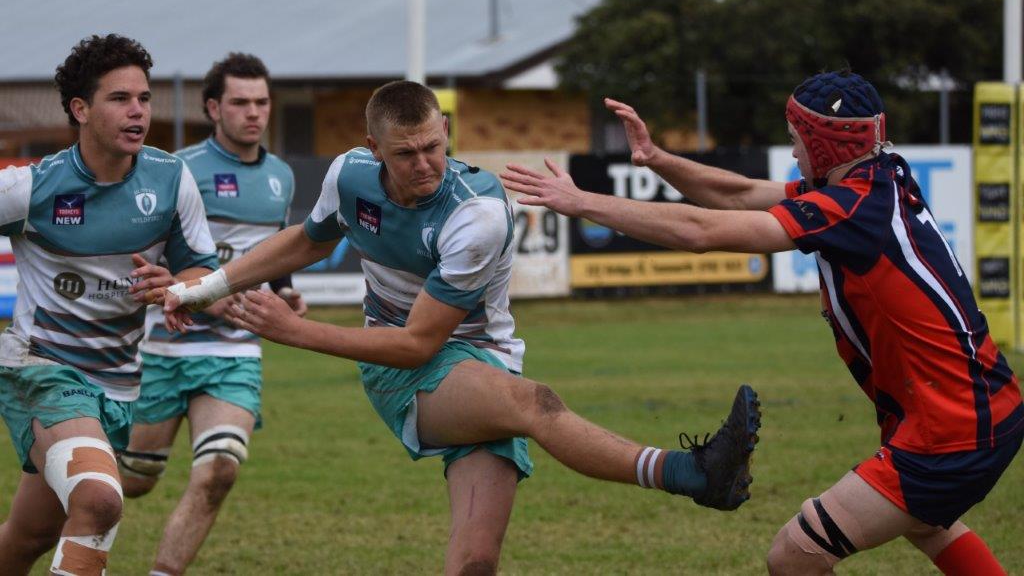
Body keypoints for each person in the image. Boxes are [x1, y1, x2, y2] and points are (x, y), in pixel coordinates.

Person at [161, 80, 761, 575]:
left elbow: (422, 337)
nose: (423, 164)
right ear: (374, 148)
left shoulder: (476, 212)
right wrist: (207, 288)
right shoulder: (348, 176)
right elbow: (310, 242)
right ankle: (691, 473)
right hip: (402, 371)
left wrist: (296, 333)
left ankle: (696, 475)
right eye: (404, 153)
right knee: (535, 403)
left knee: (475, 563)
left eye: (432, 146)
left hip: (471, 357)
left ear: (445, 132)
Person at [500, 70, 1024, 576]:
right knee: (928, 526)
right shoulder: (878, 180)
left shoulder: (851, 207)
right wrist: (657, 159)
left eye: (797, 139)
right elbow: (739, 195)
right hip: (981, 407)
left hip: (952, 427)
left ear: (824, 146)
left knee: (795, 556)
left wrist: (581, 202)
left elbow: (701, 231)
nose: (793, 151)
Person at [0, 34, 218, 576]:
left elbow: (204, 272)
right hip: (42, 369)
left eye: (144, 98)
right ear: (81, 109)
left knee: (29, 537)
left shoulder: (170, 180)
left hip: (119, 386)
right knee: (99, 500)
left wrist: (178, 285)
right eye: (120, 98)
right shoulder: (30, 189)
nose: (138, 111)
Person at [117, 53, 302, 576]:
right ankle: (51, 515)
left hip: (233, 351)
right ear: (213, 108)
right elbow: (148, 256)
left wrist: (285, 292)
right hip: (164, 348)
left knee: (220, 470)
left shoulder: (280, 177)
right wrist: (198, 292)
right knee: (134, 479)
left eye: (262, 102)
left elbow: (276, 250)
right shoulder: (177, 170)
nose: (254, 113)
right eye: (240, 102)